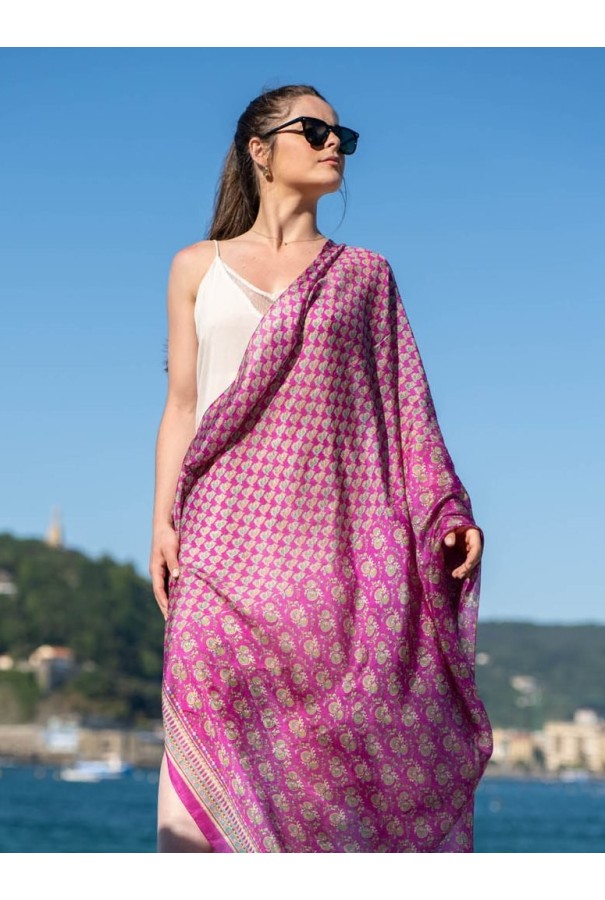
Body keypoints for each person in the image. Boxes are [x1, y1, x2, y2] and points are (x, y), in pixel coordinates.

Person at [150, 83, 492, 853]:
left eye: (343, 136)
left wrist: (445, 509)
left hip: (328, 573)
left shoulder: (364, 275)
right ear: (259, 150)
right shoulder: (195, 268)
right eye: (313, 131)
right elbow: (181, 405)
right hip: (216, 551)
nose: (334, 144)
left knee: (324, 775)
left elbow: (405, 408)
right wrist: (160, 526)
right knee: (195, 761)